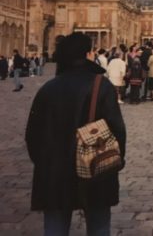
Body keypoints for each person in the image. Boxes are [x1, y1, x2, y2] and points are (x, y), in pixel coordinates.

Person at [25, 32, 126, 236]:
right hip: (95, 168)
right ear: (88, 54)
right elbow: (117, 132)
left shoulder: (47, 89)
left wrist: (46, 164)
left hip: (54, 173)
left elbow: (32, 136)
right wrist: (115, 161)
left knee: (55, 229)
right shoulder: (101, 85)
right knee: (98, 227)